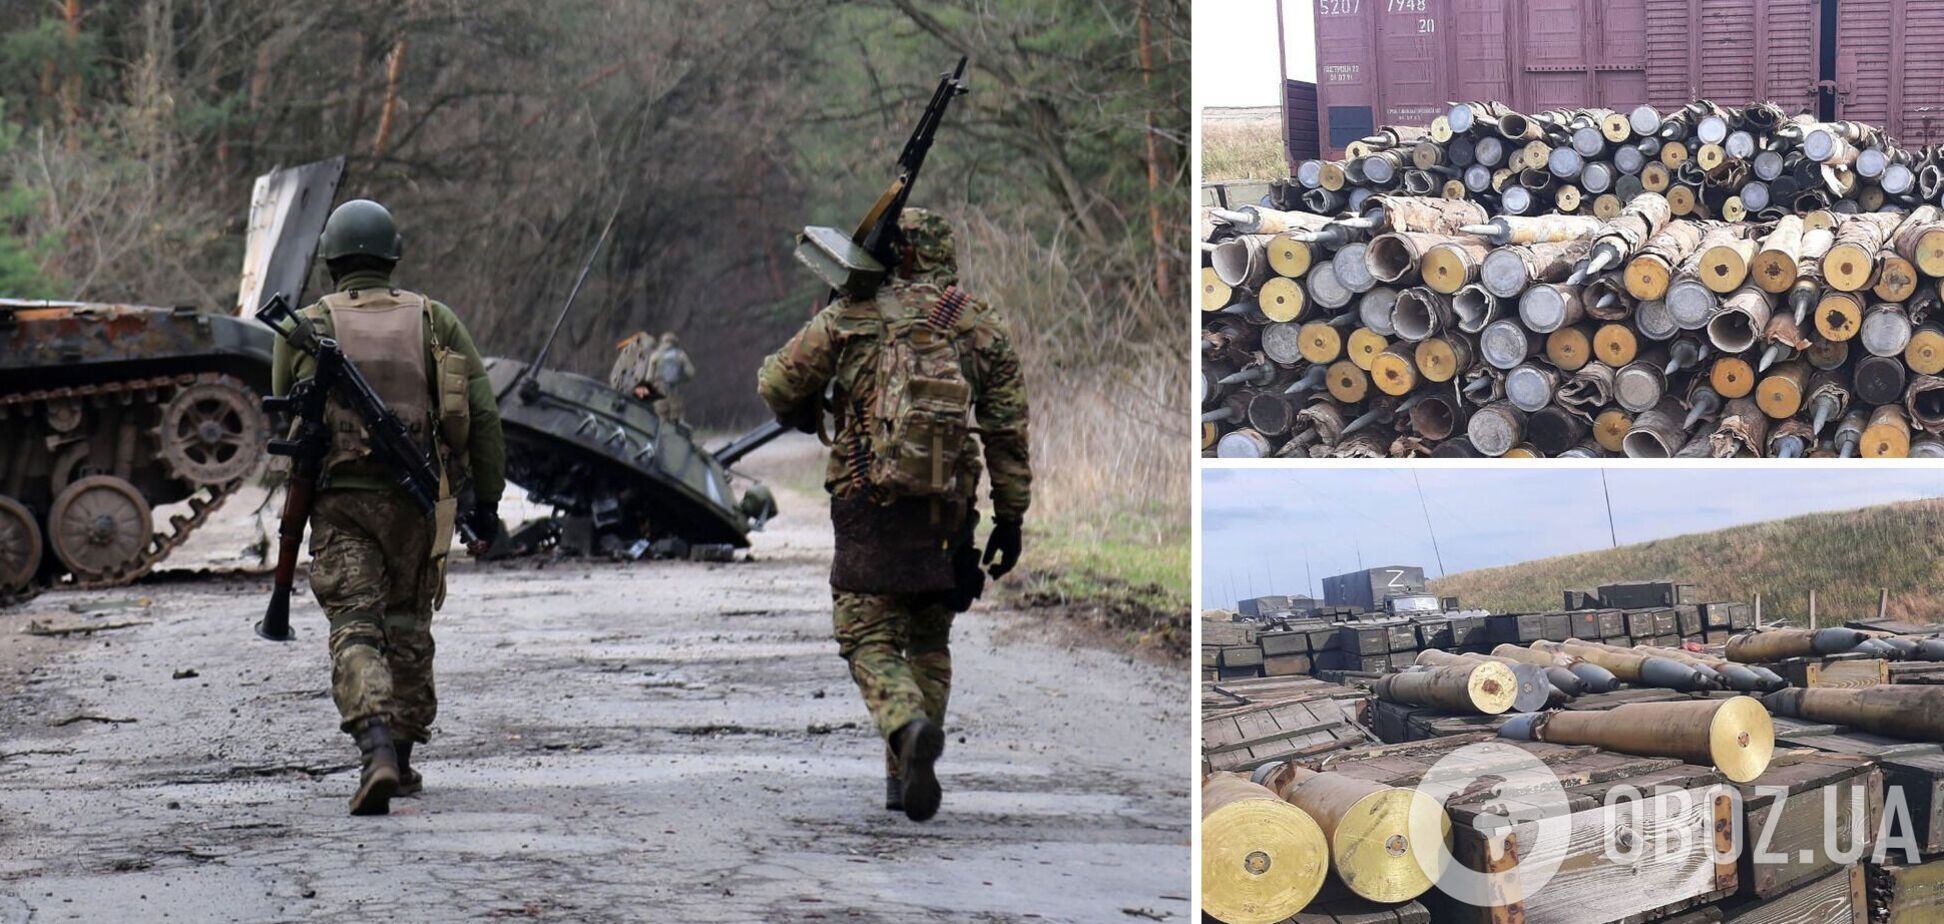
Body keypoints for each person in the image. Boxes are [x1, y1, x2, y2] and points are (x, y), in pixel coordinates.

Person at [757, 207, 1030, 822]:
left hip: (867, 505)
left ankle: (905, 727)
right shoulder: (976, 322)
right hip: (948, 512)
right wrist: (1010, 516)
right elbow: (1006, 428)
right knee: (929, 639)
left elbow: (776, 383)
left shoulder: (850, 314)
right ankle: (905, 764)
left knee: (866, 635)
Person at [270, 198, 505, 816]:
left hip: (341, 505)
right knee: (407, 624)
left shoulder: (304, 327)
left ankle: (373, 745)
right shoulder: (436, 320)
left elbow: (289, 423)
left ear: (331, 261)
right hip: (418, 503)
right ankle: (398, 759)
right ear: (392, 257)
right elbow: (481, 417)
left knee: (355, 626)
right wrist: (488, 502)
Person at [648, 332, 695, 424]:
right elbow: (691, 373)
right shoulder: (680, 355)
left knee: (661, 417)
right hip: (674, 389)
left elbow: (649, 377)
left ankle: (662, 435)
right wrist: (682, 380)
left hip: (659, 390)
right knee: (676, 417)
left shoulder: (655, 356)